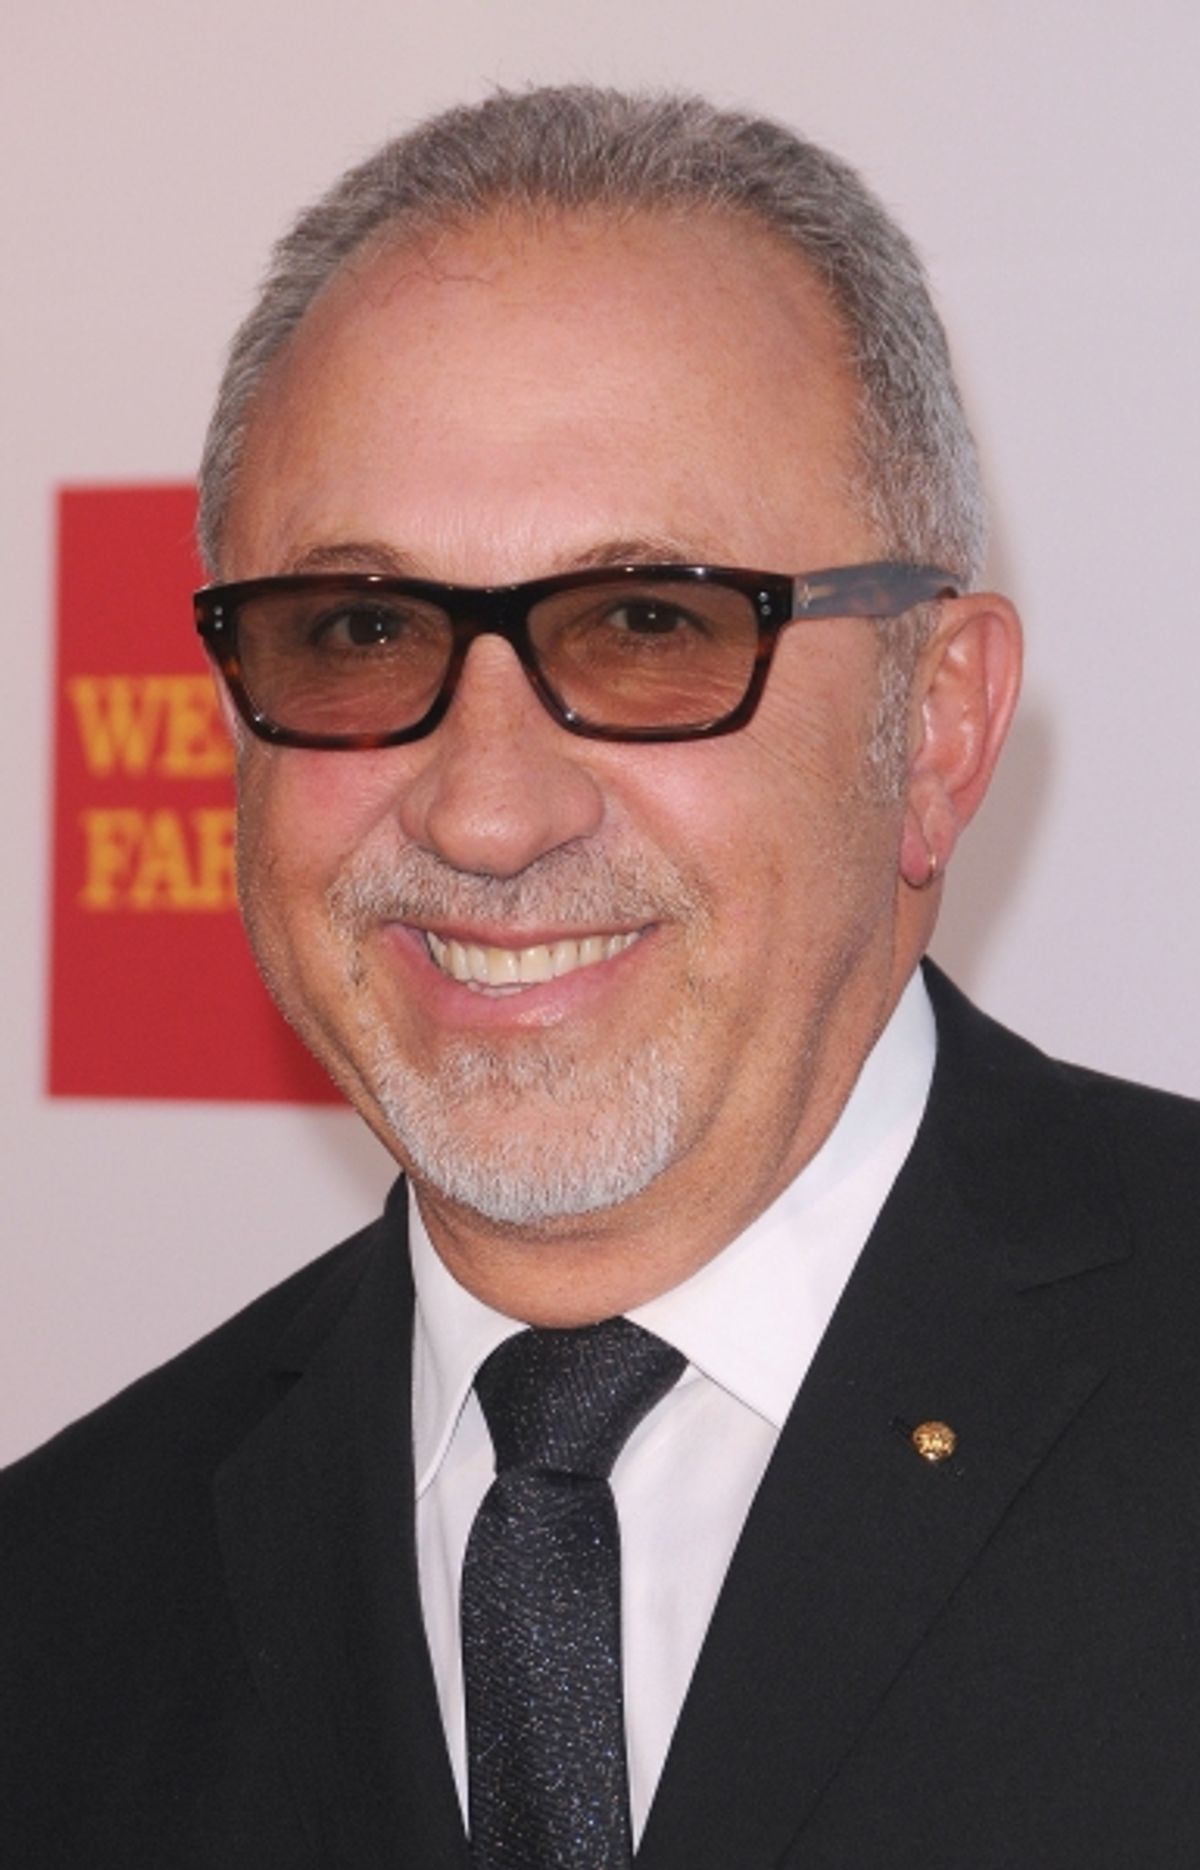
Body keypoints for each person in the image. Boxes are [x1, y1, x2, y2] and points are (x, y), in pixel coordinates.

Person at [3, 85, 1199, 1870]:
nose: (486, 810)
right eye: (361, 630)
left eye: (651, 625)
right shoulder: (59, 1601)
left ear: (937, 727)